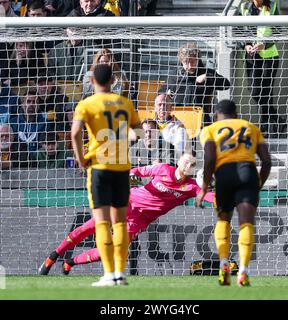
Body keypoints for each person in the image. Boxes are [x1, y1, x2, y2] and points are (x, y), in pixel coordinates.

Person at [38, 153, 215, 275]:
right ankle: (53, 257)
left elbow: (208, 196)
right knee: (89, 228)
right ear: (178, 162)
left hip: (139, 220)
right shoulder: (162, 169)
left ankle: (71, 262)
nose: (188, 166)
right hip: (126, 203)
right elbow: (137, 171)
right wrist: (131, 175)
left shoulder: (192, 187)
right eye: (186, 162)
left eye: (192, 165)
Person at [71, 64, 141, 286]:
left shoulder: (86, 104)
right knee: (120, 222)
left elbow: (74, 133)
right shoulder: (125, 103)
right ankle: (120, 274)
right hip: (121, 168)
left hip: (99, 168)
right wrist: (124, 134)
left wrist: (81, 159)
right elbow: (138, 133)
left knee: (102, 222)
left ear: (92, 82)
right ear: (113, 81)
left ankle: (109, 274)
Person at [197, 99, 271, 287]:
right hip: (248, 174)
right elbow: (267, 160)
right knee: (246, 222)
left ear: (216, 115)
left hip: (224, 175)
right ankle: (244, 272)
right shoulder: (250, 127)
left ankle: (224, 266)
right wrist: (258, 183)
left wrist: (205, 186)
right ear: (237, 114)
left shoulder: (209, 129)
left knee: (223, 220)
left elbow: (210, 157)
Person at [240, 0, 286, 135]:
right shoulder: (244, 7)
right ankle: (277, 119)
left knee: (266, 92)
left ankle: (264, 128)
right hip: (251, 57)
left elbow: (278, 31)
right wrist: (245, 45)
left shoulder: (273, 6)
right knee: (255, 92)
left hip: (269, 56)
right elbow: (238, 30)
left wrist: (264, 44)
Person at [166, 42, 231, 126]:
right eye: (186, 62)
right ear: (181, 61)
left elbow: (226, 84)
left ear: (197, 59)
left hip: (201, 118)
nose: (189, 66)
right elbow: (161, 92)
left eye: (192, 62)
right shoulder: (175, 75)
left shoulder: (207, 72)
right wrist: (167, 96)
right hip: (178, 119)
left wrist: (208, 77)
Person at [154, 92, 188, 162]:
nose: (162, 107)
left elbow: (179, 150)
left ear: (171, 108)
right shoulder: (149, 124)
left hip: (169, 161)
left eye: (165, 105)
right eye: (159, 104)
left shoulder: (179, 126)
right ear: (155, 108)